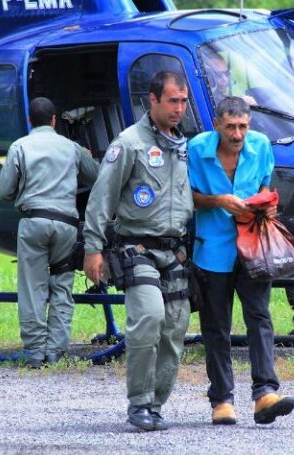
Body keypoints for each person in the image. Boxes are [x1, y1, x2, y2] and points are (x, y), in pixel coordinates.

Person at [83, 71, 193, 432]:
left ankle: (156, 404)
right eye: (172, 101)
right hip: (137, 248)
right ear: (153, 100)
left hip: (175, 252)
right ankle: (139, 403)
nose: (179, 108)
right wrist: (93, 248)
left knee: (175, 328)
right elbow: (102, 197)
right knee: (149, 319)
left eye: (183, 101)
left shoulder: (185, 146)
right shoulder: (129, 144)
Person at [188, 96, 294, 426]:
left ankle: (265, 393)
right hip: (212, 250)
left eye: (243, 127)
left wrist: (267, 204)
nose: (237, 134)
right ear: (216, 124)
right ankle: (221, 400)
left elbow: (266, 185)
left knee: (259, 317)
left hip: (254, 248)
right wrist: (218, 200)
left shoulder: (260, 145)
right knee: (216, 327)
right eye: (231, 127)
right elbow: (185, 196)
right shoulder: (196, 149)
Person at [204, 49, 294, 337]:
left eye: (224, 73)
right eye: (217, 73)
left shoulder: (246, 101)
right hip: (218, 190)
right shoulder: (203, 101)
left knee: (285, 246)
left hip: (252, 188)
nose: (221, 78)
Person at [0, 97, 99, 369]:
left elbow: (4, 191)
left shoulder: (20, 147)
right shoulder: (71, 148)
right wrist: (83, 157)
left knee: (33, 289)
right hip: (66, 225)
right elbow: (96, 176)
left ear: (30, 120)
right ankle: (56, 351)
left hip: (34, 222)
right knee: (62, 286)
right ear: (54, 120)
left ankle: (35, 354)